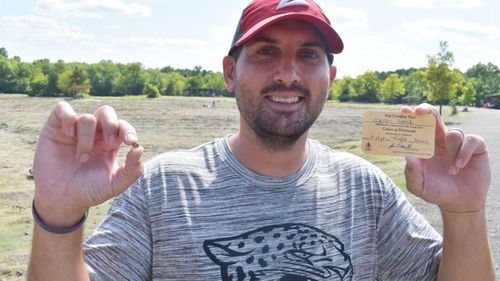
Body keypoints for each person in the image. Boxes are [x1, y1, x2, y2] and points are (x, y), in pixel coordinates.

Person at [28, 0, 495, 280]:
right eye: (266, 51)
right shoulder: (164, 188)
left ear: (329, 76)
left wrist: (465, 212)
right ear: (231, 73)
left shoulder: (365, 190)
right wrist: (60, 212)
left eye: (308, 55)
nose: (288, 74)